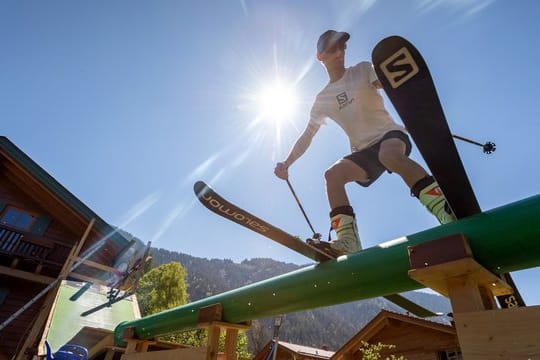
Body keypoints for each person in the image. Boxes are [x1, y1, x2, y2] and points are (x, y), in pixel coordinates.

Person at [274, 30, 455, 254]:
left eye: (343, 47)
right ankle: (348, 241)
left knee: (388, 156)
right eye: (333, 49)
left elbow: (389, 83)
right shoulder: (322, 99)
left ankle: (444, 210)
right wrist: (287, 162)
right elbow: (307, 136)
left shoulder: (362, 70)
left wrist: (413, 108)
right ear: (320, 56)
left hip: (391, 136)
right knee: (333, 175)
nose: (340, 52)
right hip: (364, 151)